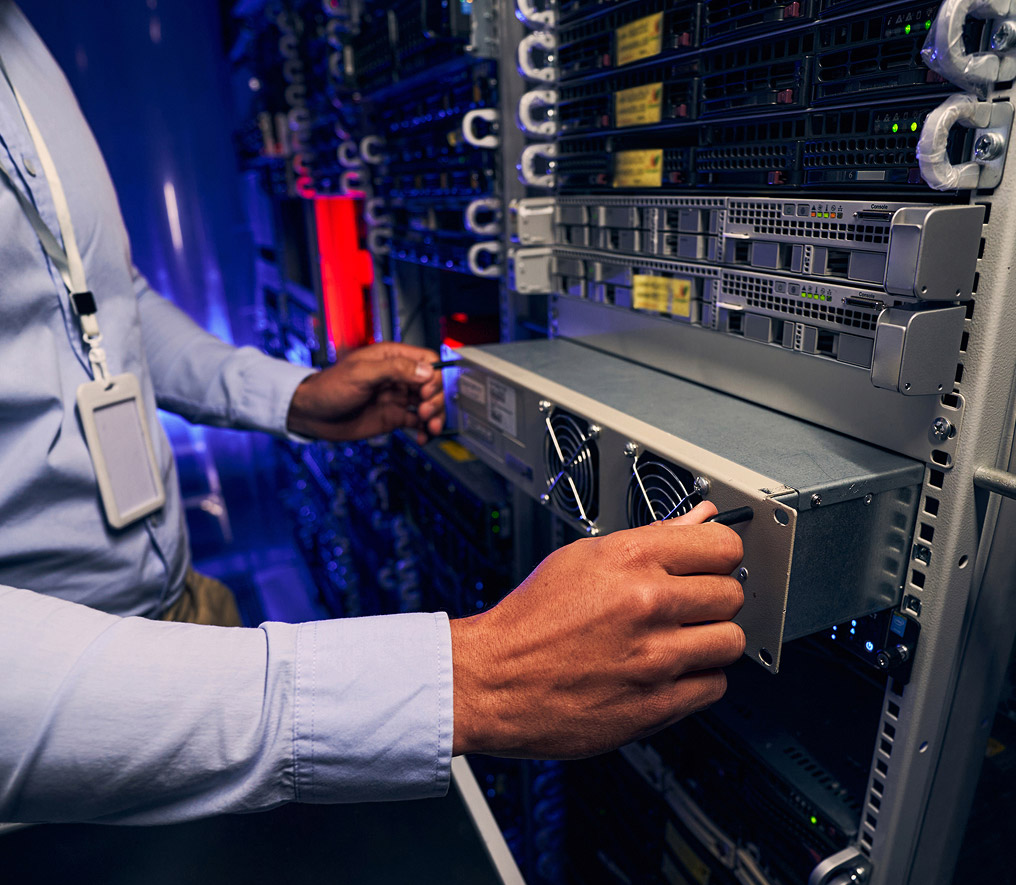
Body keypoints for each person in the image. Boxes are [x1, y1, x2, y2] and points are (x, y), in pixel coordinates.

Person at [0, 0, 745, 826]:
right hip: (57, 727)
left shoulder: (23, 48)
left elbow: (106, 301)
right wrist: (467, 679)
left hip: (182, 606)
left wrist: (287, 394)